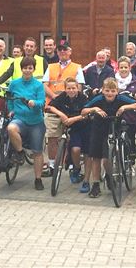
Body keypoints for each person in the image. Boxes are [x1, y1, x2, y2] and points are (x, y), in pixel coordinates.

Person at [81, 77, 136, 198]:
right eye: (107, 90)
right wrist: (94, 109)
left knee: (106, 159)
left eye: (113, 91)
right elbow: (83, 111)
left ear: (117, 91)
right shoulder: (98, 99)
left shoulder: (121, 98)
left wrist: (125, 107)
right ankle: (96, 184)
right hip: (98, 129)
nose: (110, 93)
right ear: (103, 90)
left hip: (114, 128)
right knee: (96, 157)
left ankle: (109, 175)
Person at [42, 40, 85, 176]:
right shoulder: (51, 66)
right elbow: (44, 85)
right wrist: (55, 98)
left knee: (71, 138)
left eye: (65, 49)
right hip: (53, 106)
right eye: (60, 50)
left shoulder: (77, 67)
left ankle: (71, 163)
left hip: (71, 108)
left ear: (70, 51)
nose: (62, 52)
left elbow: (79, 87)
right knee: (52, 138)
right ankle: (53, 165)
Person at [7, 57, 47, 190]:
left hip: (36, 121)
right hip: (20, 119)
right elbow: (9, 98)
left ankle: (38, 179)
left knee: (37, 152)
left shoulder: (38, 85)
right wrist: (11, 109)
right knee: (11, 128)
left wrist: (34, 103)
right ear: (21, 69)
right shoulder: (14, 83)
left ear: (34, 69)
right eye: (25, 68)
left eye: (30, 68)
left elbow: (42, 102)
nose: (27, 70)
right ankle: (20, 152)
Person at [46, 77, 92, 192]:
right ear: (65, 89)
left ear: (78, 88)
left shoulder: (83, 98)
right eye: (69, 88)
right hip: (73, 129)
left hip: (85, 127)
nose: (71, 90)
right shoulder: (62, 97)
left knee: (87, 154)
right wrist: (61, 114)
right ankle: (76, 168)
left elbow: (87, 114)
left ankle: (86, 181)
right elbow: (49, 107)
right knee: (75, 149)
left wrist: (73, 119)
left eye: (74, 88)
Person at [116, 56, 136, 161]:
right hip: (116, 115)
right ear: (118, 68)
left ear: (129, 68)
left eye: (125, 67)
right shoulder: (113, 80)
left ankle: (130, 161)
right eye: (121, 67)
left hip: (130, 116)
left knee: (130, 140)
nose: (123, 69)